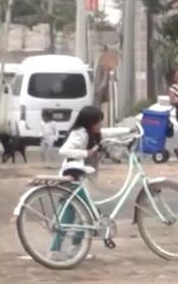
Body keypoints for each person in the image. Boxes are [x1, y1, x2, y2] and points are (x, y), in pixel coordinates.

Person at [50, 106, 134, 260]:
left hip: (77, 175)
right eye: (98, 122)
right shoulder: (80, 134)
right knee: (82, 213)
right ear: (90, 123)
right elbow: (63, 150)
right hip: (71, 175)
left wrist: (129, 131)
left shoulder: (90, 133)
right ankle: (63, 250)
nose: (100, 125)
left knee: (77, 213)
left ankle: (68, 249)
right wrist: (85, 153)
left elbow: (108, 132)